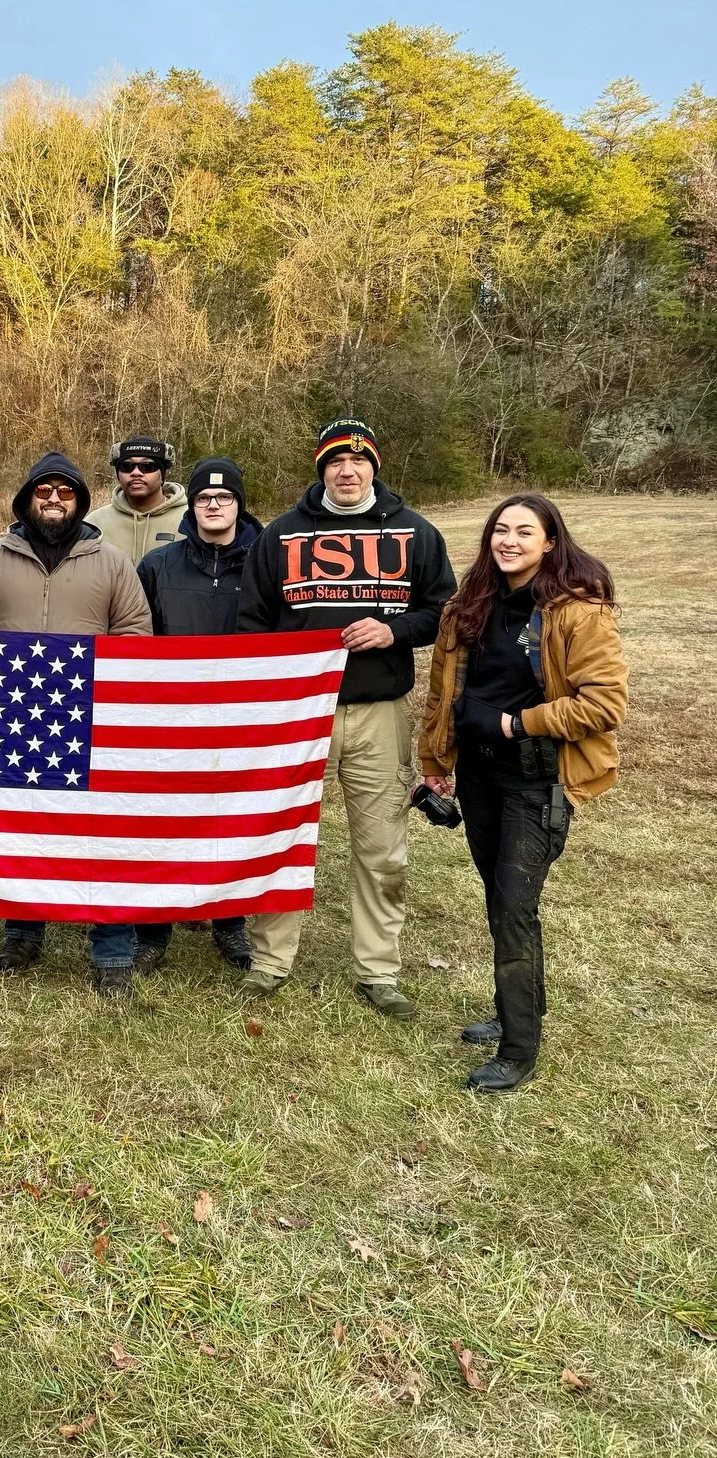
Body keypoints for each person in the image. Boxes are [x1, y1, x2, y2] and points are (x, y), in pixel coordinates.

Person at [234, 418, 456, 1017]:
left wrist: (394, 629)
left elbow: (444, 610)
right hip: (300, 714)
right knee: (281, 836)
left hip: (379, 711)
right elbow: (251, 621)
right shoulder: (281, 535)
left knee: (382, 844)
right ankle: (270, 960)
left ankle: (378, 970)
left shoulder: (415, 533)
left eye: (358, 462)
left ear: (374, 468)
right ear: (322, 469)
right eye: (335, 462)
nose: (348, 471)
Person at [418, 496, 627, 1092]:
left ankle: (518, 1048)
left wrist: (518, 724)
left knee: (514, 905)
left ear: (550, 542)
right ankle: (521, 1010)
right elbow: (442, 693)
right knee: (501, 898)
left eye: (524, 532)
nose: (508, 541)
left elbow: (604, 704)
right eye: (500, 530)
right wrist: (435, 762)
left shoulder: (577, 613)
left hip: (535, 779)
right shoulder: (468, 607)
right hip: (480, 776)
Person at [0, 452, 151, 993]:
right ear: (26, 500)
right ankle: (22, 929)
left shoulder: (110, 562)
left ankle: (112, 947)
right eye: (44, 492)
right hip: (11, 722)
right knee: (24, 827)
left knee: (105, 832)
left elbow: (136, 635)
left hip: (91, 721)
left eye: (65, 492)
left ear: (80, 502)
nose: (55, 500)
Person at [133, 455, 263, 975]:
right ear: (192, 504)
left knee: (232, 820)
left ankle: (230, 923)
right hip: (171, 715)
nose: (214, 505)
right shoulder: (159, 565)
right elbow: (136, 637)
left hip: (243, 713)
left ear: (239, 505)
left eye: (225, 498)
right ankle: (154, 929)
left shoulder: (265, 561)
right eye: (205, 498)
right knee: (163, 822)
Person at [90, 434, 188, 566]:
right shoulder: (95, 523)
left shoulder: (190, 520)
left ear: (163, 474)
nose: (136, 473)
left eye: (147, 466)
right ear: (118, 474)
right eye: (126, 466)